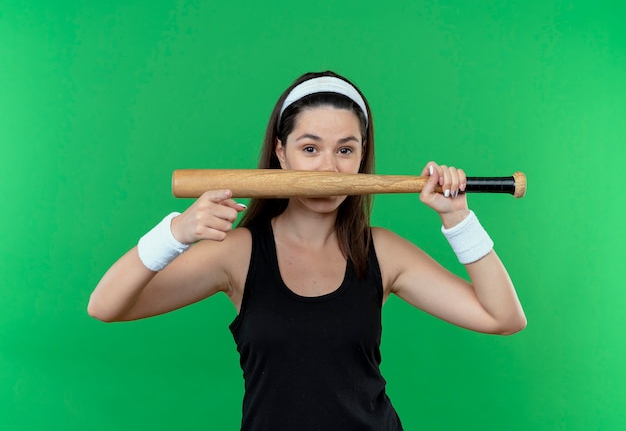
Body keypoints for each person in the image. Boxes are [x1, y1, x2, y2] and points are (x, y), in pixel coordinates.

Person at [88, 70, 526, 430]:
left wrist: (458, 219)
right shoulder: (238, 253)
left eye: (345, 150)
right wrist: (175, 233)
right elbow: (106, 305)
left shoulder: (382, 252)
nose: (328, 168)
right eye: (310, 148)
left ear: (361, 158)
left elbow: (503, 318)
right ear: (282, 153)